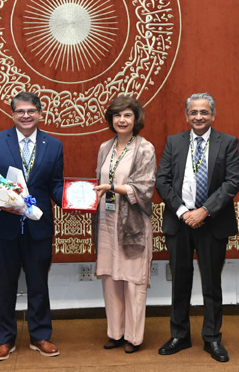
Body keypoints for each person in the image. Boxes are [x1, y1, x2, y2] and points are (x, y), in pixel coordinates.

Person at [155, 92, 239, 363]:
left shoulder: (228, 142)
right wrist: (184, 212)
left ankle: (212, 337)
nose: (199, 117)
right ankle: (179, 335)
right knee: (180, 281)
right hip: (179, 221)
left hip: (212, 222)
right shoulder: (174, 142)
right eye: (194, 112)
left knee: (212, 283)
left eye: (204, 112)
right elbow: (162, 181)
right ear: (186, 116)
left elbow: (232, 182)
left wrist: (204, 211)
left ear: (213, 115)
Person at [0, 92, 64, 360]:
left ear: (40, 113)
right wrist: (1, 201)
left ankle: (40, 336)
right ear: (12, 114)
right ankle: (5, 339)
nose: (26, 116)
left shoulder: (54, 145)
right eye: (20, 111)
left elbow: (55, 185)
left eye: (31, 111)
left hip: (39, 227)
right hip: (3, 226)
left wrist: (74, 198)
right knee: (4, 286)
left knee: (39, 283)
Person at [92, 96, 157, 353]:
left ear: (135, 119)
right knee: (110, 279)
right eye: (117, 115)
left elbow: (145, 187)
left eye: (127, 115)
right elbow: (98, 181)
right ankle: (115, 333)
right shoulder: (104, 147)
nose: (122, 120)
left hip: (133, 224)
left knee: (133, 282)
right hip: (106, 221)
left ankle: (133, 337)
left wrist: (111, 187)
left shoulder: (145, 148)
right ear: (111, 119)